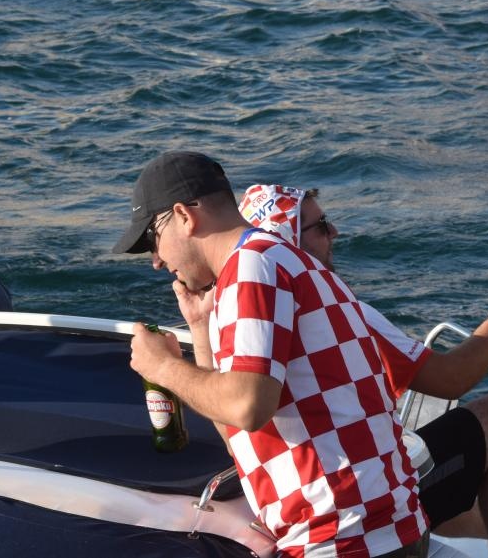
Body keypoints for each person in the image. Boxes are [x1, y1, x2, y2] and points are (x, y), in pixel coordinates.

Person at [117, 151, 430, 558]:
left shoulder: (252, 266)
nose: (156, 261)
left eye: (151, 239)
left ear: (183, 216)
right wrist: (201, 328)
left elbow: (247, 406)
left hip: (341, 538)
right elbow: (240, 433)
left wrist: (162, 366)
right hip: (385, 528)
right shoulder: (285, 261)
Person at [238, 184, 488, 558]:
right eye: (321, 226)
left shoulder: (236, 319)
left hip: (283, 503)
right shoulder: (340, 312)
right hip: (356, 512)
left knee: (468, 506)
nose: (335, 232)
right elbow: (452, 378)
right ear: (290, 243)